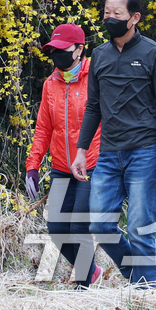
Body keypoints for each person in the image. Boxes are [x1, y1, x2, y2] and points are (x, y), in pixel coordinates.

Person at [71, 0, 156, 288]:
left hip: (144, 152)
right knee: (100, 225)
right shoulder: (99, 55)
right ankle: (140, 275)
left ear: (134, 18)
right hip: (108, 154)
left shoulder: (154, 54)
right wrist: (81, 150)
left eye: (117, 14)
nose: (110, 18)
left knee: (140, 228)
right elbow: (93, 106)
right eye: (107, 13)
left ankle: (146, 292)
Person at [26, 23, 104, 287]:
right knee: (57, 229)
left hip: (92, 163)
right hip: (61, 165)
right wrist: (33, 165)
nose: (57, 54)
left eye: (63, 49)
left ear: (80, 49)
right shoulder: (51, 84)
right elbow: (43, 128)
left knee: (79, 225)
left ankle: (83, 284)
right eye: (53, 50)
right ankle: (91, 270)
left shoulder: (96, 76)